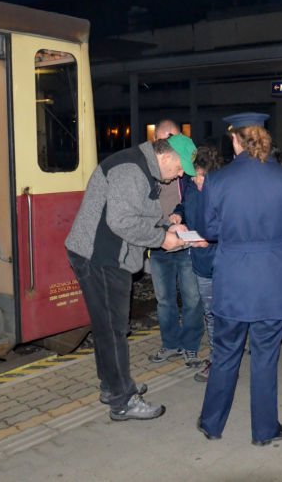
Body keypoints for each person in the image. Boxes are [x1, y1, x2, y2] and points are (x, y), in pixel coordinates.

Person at [197, 112, 282, 446]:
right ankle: (264, 431)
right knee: (265, 356)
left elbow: (207, 229)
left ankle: (211, 423)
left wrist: (234, 234)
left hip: (234, 279)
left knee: (225, 353)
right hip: (274, 281)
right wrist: (277, 234)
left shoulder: (218, 180)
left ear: (236, 140)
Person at [65, 134, 196, 421]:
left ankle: (112, 386)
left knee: (106, 325)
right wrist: (162, 239)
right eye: (177, 170)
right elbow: (122, 221)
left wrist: (167, 228)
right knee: (113, 328)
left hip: (103, 254)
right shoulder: (132, 171)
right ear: (165, 158)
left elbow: (139, 215)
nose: (177, 177)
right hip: (101, 257)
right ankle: (123, 400)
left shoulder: (141, 167)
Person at [148, 120, 204, 367]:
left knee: (192, 298)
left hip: (185, 244)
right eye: (167, 138)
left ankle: (190, 346)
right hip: (158, 243)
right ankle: (170, 344)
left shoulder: (187, 169)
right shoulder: (147, 171)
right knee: (165, 300)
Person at [172, 145, 224, 383]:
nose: (197, 180)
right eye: (194, 175)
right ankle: (219, 357)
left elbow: (233, 227)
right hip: (201, 262)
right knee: (210, 314)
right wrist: (178, 213)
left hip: (222, 263)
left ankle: (220, 361)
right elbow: (186, 205)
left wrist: (210, 242)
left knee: (219, 314)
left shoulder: (224, 192)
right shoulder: (192, 187)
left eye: (202, 175)